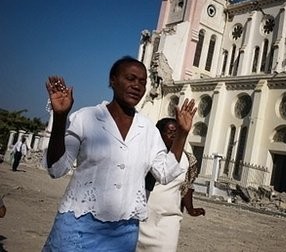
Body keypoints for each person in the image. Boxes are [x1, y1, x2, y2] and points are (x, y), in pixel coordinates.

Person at [42, 56, 197, 251]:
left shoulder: (148, 129)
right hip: (78, 226)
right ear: (113, 80)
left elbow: (165, 173)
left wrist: (182, 134)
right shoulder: (86, 117)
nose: (137, 86)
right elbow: (56, 168)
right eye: (130, 79)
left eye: (142, 82)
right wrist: (60, 117)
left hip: (123, 234)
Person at [137, 118, 205, 252]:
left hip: (168, 221)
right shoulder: (147, 155)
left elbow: (186, 187)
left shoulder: (188, 160)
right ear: (158, 134)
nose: (174, 136)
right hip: (142, 219)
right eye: (170, 132)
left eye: (177, 132)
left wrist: (191, 210)